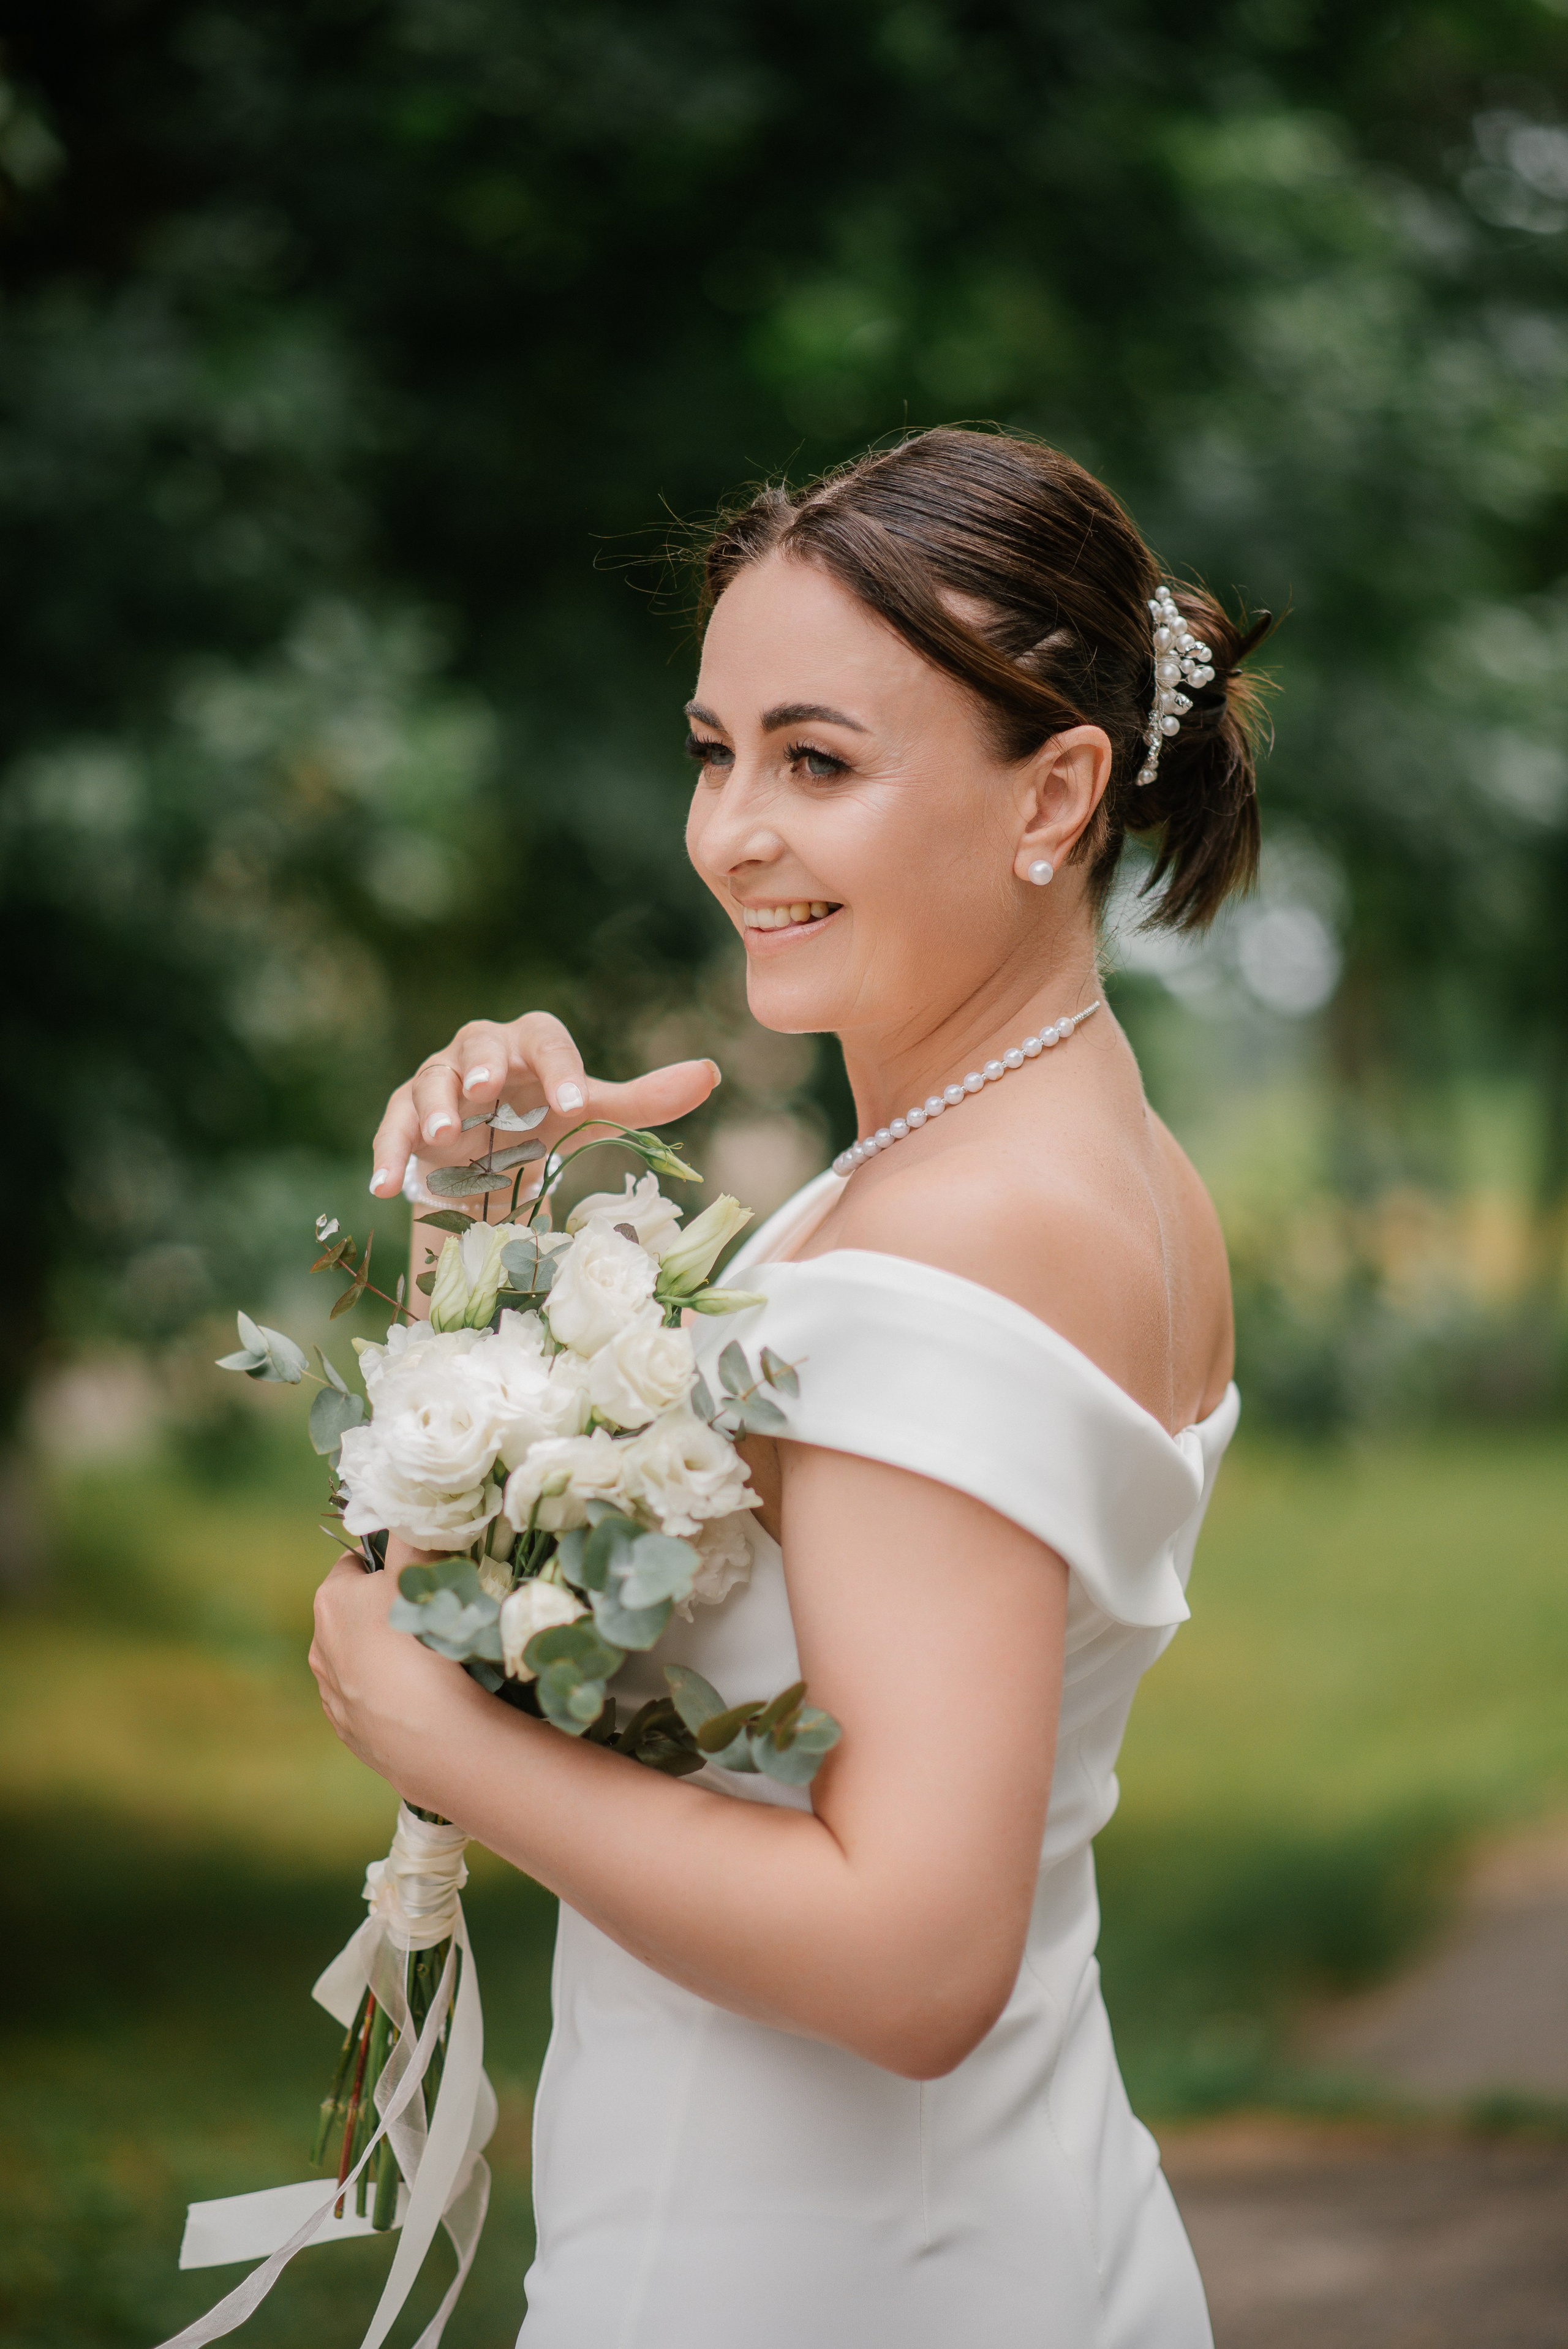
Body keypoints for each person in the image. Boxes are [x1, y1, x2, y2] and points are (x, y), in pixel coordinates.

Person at [309, 427, 1270, 2347]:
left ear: (1056, 790)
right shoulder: (1079, 1164)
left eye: (816, 761)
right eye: (716, 749)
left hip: (815, 2274)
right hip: (995, 2228)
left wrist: (436, 1735)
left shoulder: (963, 1231)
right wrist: (487, 1234)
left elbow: (914, 1956)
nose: (734, 829)